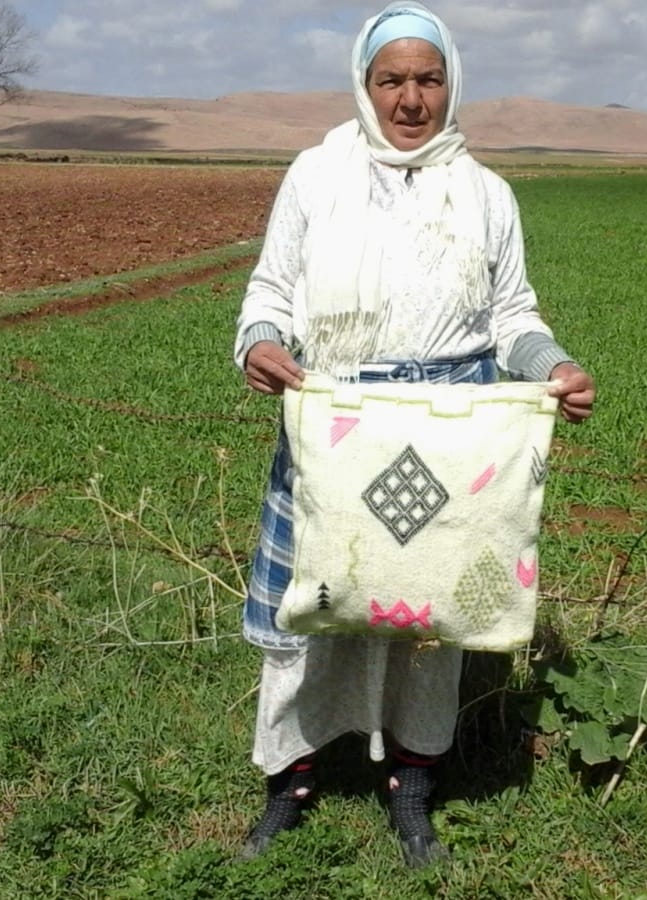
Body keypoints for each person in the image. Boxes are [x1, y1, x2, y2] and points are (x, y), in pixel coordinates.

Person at [231, 1, 594, 868]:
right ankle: (294, 778)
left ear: (451, 83)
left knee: (425, 616)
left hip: (451, 429)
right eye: (391, 79)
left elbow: (512, 313)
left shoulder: (484, 193)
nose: (410, 99)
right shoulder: (315, 178)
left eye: (427, 79)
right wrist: (262, 343)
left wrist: (552, 362)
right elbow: (270, 290)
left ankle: (414, 784)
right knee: (316, 608)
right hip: (339, 426)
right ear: (364, 85)